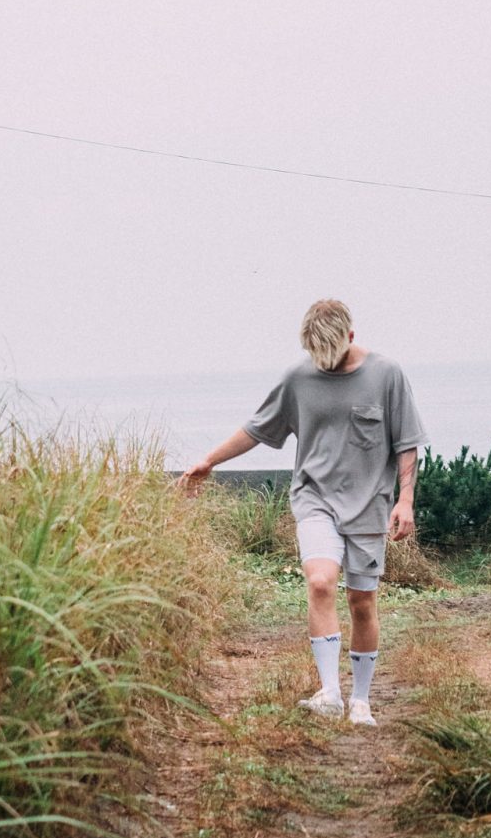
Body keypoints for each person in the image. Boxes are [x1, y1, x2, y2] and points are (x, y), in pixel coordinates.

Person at [179, 299, 425, 727]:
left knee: (362, 601)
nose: (323, 364)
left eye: (331, 355)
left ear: (351, 337)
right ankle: (329, 693)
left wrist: (405, 500)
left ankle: (360, 701)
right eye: (316, 356)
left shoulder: (387, 374)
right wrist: (209, 461)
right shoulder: (297, 378)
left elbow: (407, 443)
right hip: (315, 499)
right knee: (320, 581)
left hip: (369, 506)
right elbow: (256, 429)